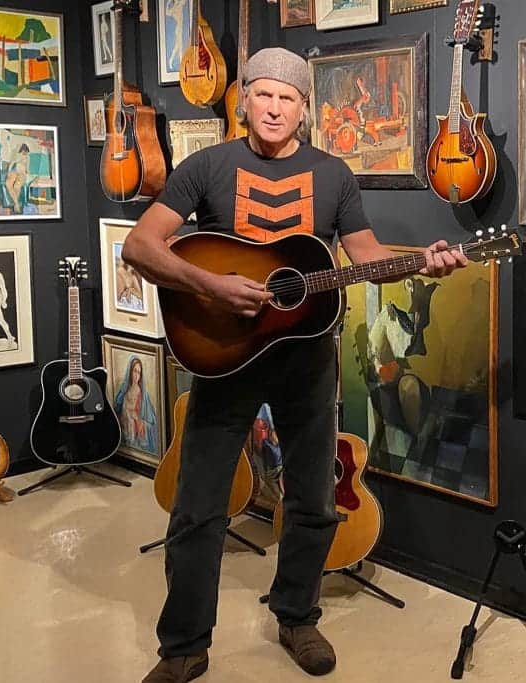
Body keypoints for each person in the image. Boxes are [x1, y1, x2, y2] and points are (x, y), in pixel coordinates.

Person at [121, 48, 465, 682]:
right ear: (244, 99)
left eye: (289, 98)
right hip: (224, 359)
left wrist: (425, 259)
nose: (275, 108)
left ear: (306, 108)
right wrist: (210, 287)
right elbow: (140, 244)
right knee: (198, 506)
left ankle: (297, 617)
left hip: (308, 358)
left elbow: (364, 253)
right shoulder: (206, 167)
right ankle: (185, 647)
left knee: (313, 498)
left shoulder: (334, 175)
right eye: (264, 95)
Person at [114, 356, 158, 454]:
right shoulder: (124, 390)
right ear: (130, 372)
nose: (136, 375)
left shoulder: (141, 393)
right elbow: (118, 409)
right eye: (134, 371)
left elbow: (149, 419)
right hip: (125, 428)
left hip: (136, 430)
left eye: (138, 372)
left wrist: (136, 418)